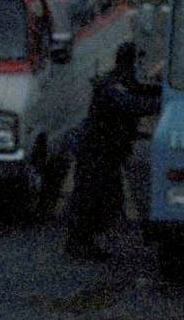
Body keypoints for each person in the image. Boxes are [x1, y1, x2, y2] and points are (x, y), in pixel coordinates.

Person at [62, 42, 163, 257]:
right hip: (95, 152)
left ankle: (91, 239)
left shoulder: (125, 82)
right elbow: (132, 104)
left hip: (107, 154)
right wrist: (162, 102)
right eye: (140, 62)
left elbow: (143, 90)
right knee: (88, 198)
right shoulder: (113, 85)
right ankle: (78, 243)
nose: (142, 67)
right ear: (131, 62)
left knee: (109, 199)